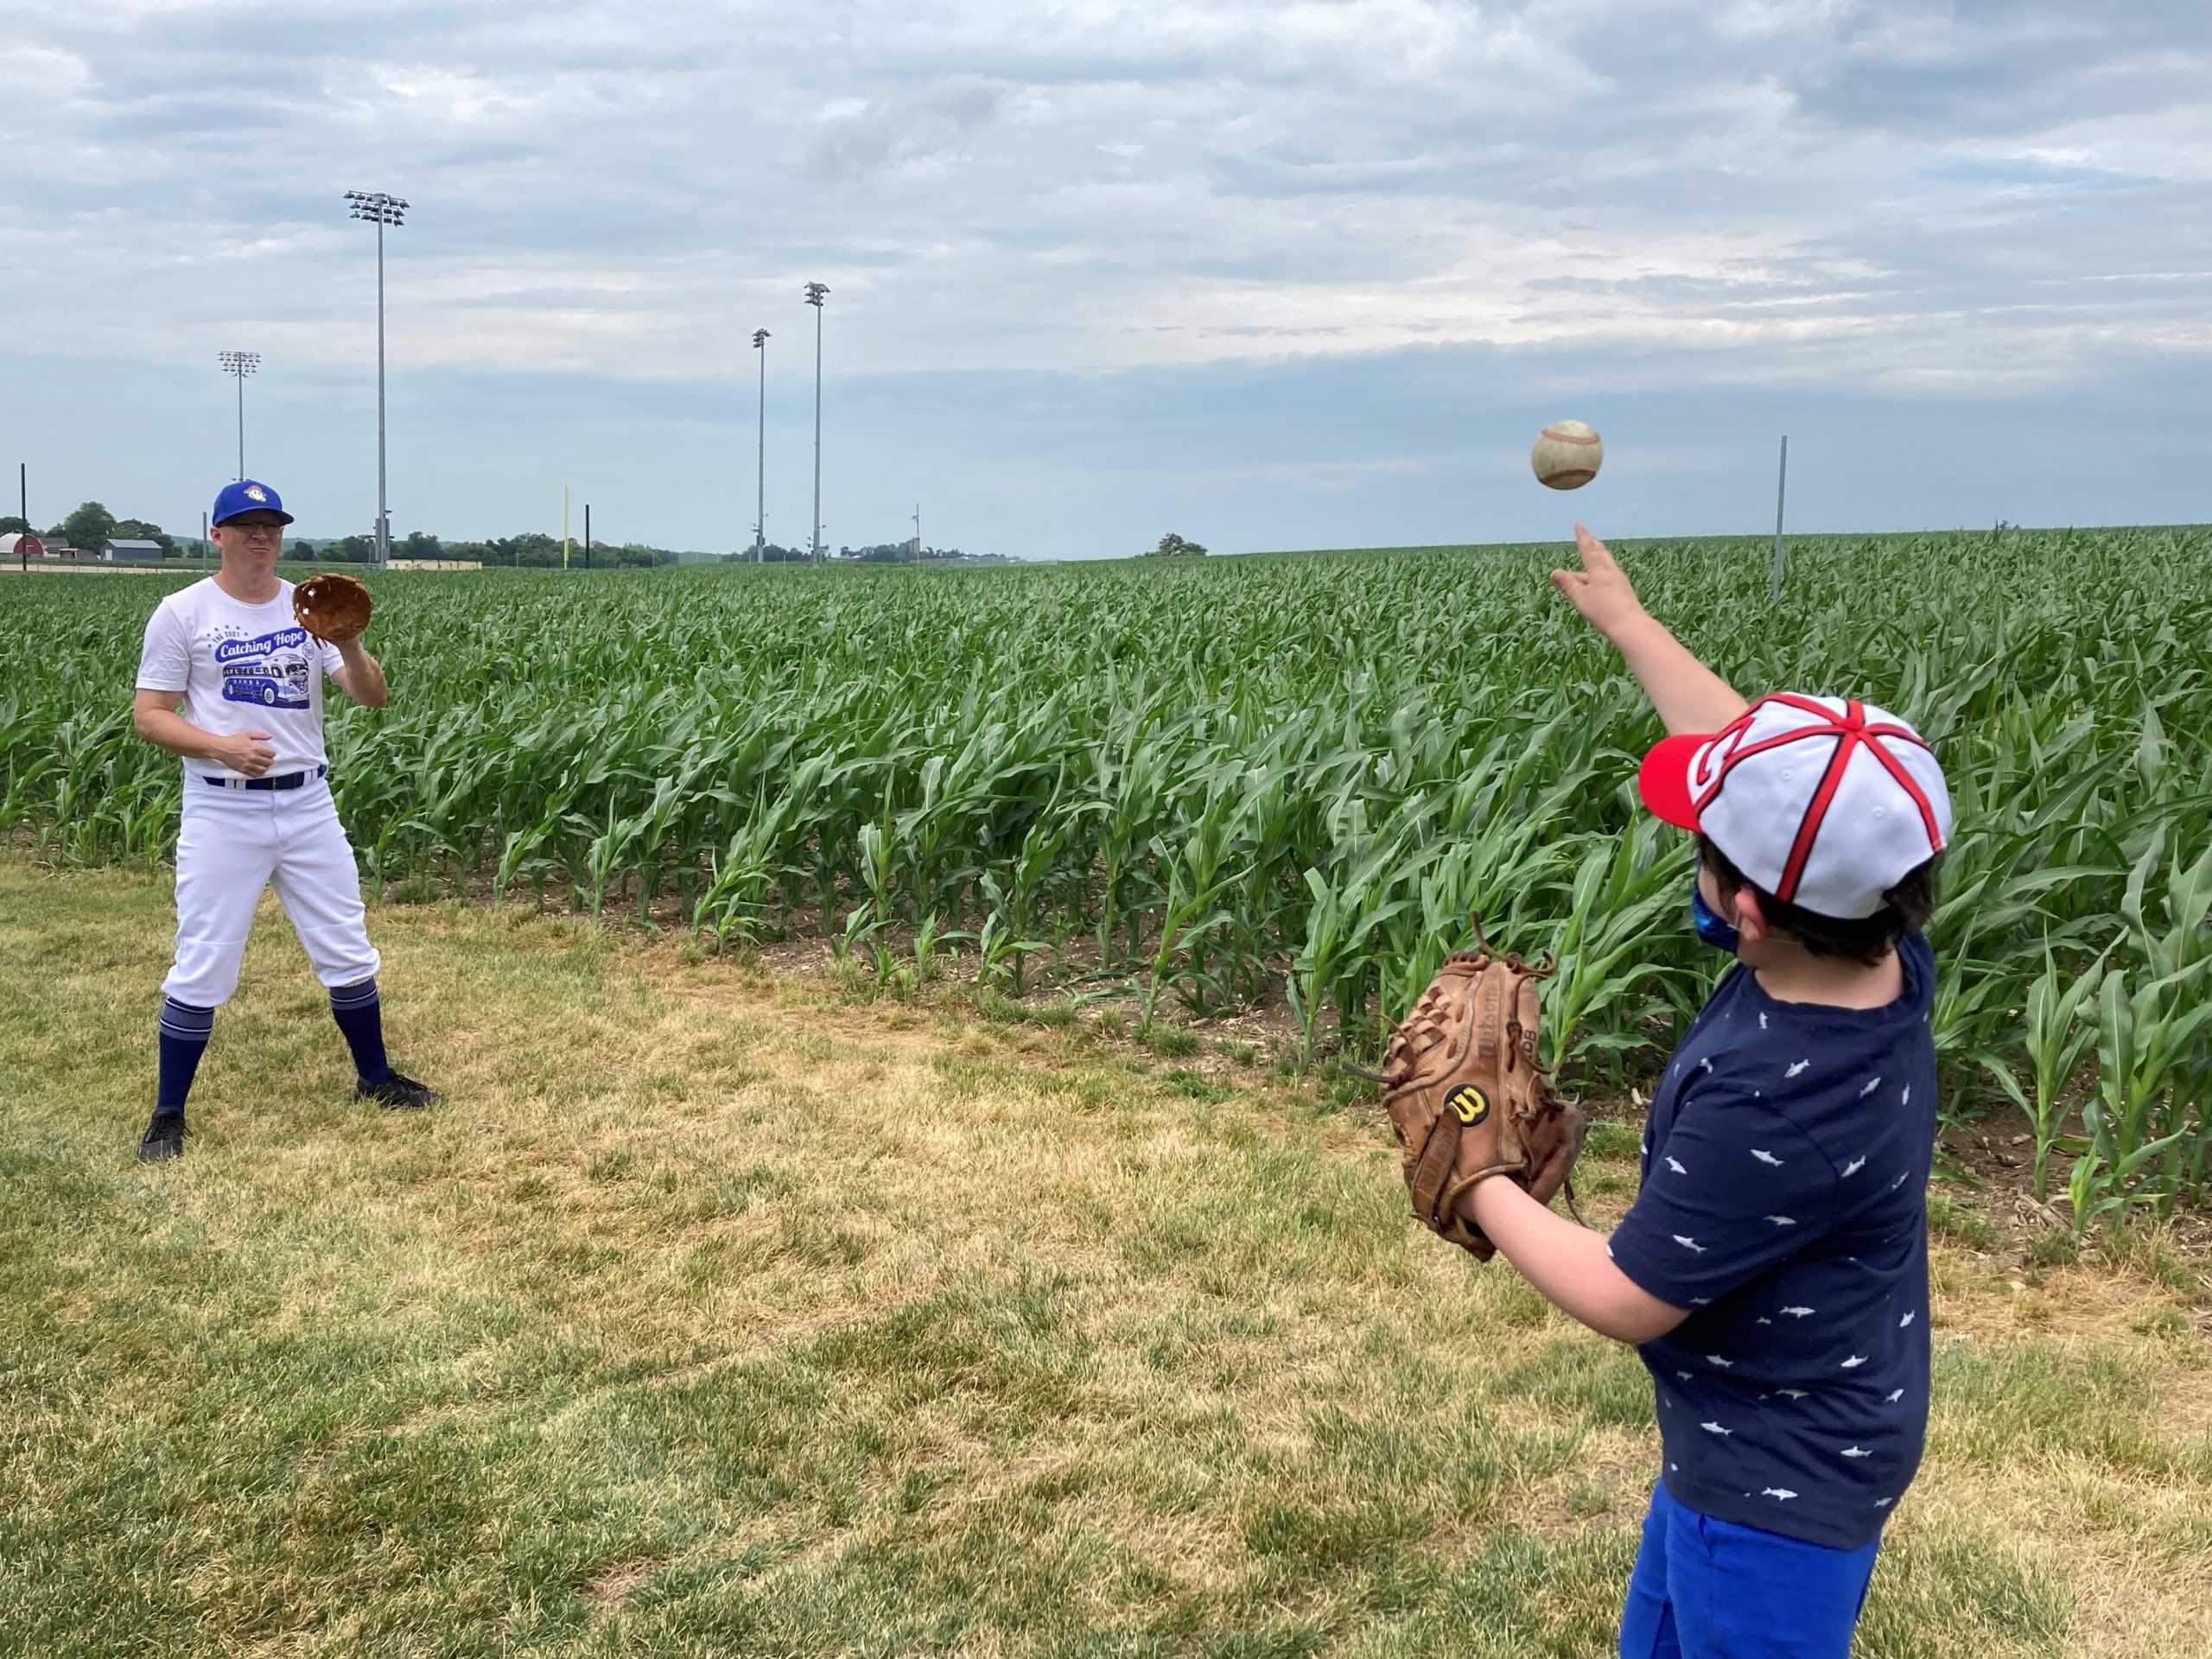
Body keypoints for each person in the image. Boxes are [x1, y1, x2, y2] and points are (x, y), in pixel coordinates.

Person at [1470, 523, 1950, 1659]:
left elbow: (1634, 1295)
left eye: (1703, 841)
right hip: (1755, 1429)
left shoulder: (1772, 1100)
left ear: (1742, 909)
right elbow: (1777, 779)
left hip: (1775, 1484)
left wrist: (1480, 1175)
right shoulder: (1883, 958)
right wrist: (1632, 626)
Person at [130, 480, 442, 1162]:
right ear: (217, 534)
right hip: (221, 806)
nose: (260, 536)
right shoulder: (183, 613)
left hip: (307, 804)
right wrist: (219, 745)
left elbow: (373, 698)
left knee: (346, 945)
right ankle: (168, 1114)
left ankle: (376, 1078)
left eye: (271, 525)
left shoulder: (309, 607)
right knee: (204, 960)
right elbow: (149, 714)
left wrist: (352, 644)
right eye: (245, 525)